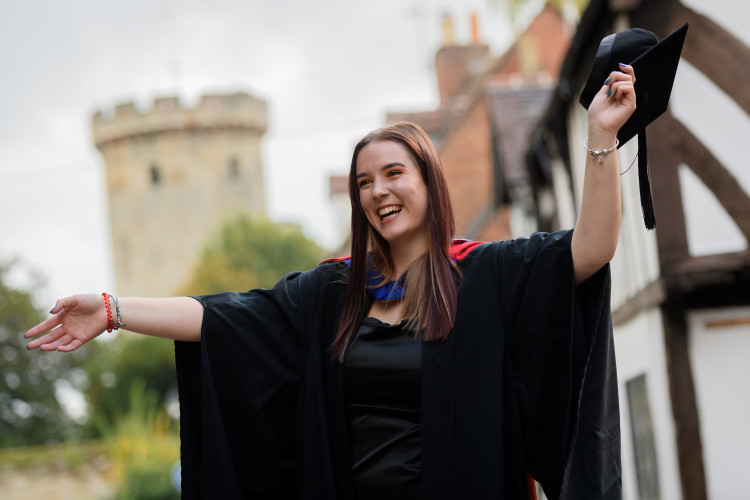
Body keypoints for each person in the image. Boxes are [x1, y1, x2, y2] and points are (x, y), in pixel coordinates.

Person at [26, 64, 636, 499]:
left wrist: (600, 139)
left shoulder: (488, 272)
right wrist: (111, 309)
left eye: (394, 173)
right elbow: (224, 315)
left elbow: (589, 249)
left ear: (429, 181)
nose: (378, 191)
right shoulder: (333, 294)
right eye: (363, 183)